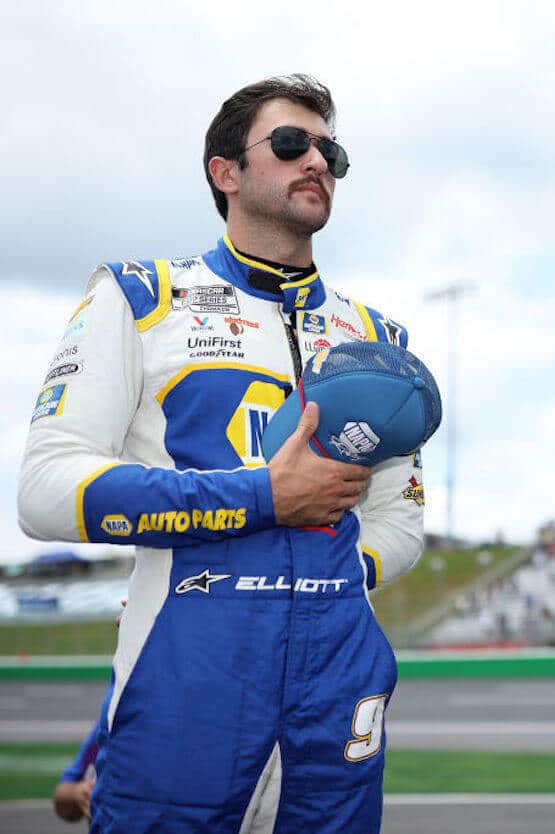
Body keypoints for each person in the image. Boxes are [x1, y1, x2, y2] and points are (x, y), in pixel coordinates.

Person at [18, 74, 426, 833]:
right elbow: (44, 490)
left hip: (338, 676)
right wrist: (262, 500)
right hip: (189, 666)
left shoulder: (379, 341)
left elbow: (401, 526)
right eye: (290, 143)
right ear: (225, 172)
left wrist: (328, 573)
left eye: (329, 151)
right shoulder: (141, 297)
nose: (315, 161)